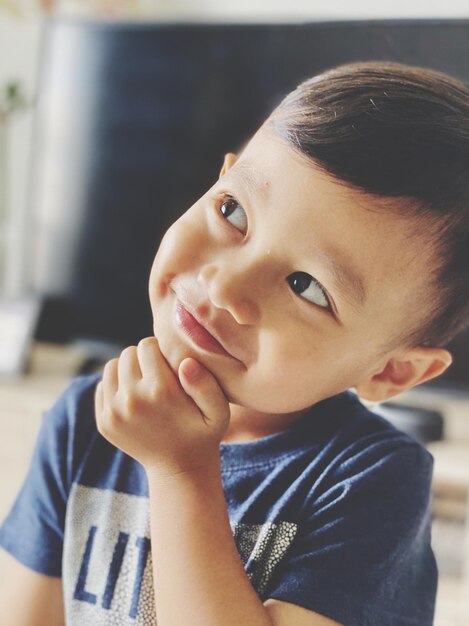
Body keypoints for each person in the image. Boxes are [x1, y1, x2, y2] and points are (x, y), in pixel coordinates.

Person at [1, 59, 468, 626]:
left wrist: (181, 472)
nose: (224, 286)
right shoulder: (84, 420)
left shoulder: (373, 483)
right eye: (233, 211)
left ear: (393, 372)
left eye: (307, 287)